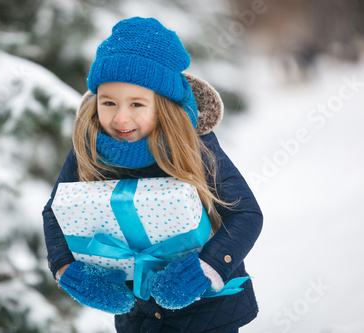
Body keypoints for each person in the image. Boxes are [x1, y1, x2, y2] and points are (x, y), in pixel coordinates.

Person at [42, 17, 263, 333]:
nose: (121, 117)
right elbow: (55, 210)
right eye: (108, 102)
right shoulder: (89, 146)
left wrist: (205, 269)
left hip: (207, 311)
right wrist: (67, 269)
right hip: (140, 316)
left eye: (136, 103)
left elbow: (245, 214)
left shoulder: (193, 144)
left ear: (162, 105)